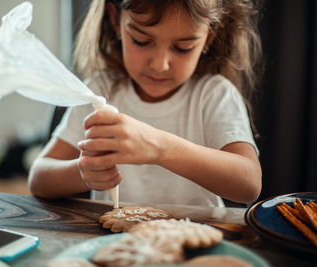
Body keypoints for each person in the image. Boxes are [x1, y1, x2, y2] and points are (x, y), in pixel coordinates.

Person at [28, 0, 263, 207]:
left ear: (208, 38)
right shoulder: (100, 92)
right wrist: (82, 173)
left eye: (183, 48)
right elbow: (38, 179)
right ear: (115, 19)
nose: (160, 64)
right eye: (142, 41)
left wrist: (158, 147)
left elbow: (249, 185)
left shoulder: (213, 94)